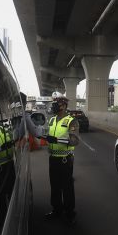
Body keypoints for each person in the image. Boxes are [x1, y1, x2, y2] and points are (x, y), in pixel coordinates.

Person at [41, 95, 79, 225]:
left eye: (56, 103)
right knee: (55, 186)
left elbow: (75, 140)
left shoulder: (71, 121)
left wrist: (57, 140)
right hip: (53, 159)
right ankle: (57, 210)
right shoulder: (51, 120)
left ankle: (70, 213)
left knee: (67, 187)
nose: (54, 106)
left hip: (65, 160)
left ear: (63, 105)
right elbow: (46, 134)